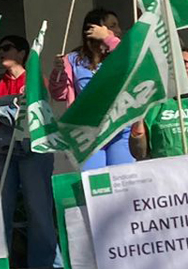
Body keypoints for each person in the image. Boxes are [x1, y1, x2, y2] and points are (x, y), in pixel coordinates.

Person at [0, 35, 59, 269]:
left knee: (39, 206)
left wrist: (6, 107)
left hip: (34, 149)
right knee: (1, 209)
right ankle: (1, 264)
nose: (1, 53)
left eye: (6, 48)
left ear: (22, 53)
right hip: (6, 151)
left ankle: (46, 264)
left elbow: (41, 108)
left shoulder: (36, 80)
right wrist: (11, 106)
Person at [53, 9, 134, 169]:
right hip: (87, 133)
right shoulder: (73, 59)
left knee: (123, 180)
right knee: (94, 184)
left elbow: (131, 63)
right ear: (93, 28)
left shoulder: (120, 53)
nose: (117, 30)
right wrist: (59, 71)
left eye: (117, 26)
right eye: (112, 26)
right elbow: (59, 93)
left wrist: (108, 38)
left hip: (119, 129)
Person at [129, 48, 188, 159]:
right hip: (169, 172)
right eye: (181, 63)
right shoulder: (155, 105)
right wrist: (138, 126)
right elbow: (138, 152)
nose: (187, 66)